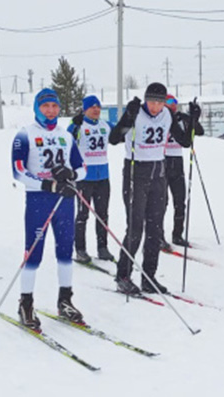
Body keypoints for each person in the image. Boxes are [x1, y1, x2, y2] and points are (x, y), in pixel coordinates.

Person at [108, 83, 201, 294]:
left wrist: (193, 119)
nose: (155, 107)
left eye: (159, 102)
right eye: (152, 102)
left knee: (155, 228)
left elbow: (185, 142)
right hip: (135, 172)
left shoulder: (167, 115)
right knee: (135, 228)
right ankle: (123, 275)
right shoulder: (136, 113)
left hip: (159, 172)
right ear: (145, 100)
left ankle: (149, 277)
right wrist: (127, 118)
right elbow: (114, 139)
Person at [11, 88, 88, 330]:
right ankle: (26, 303)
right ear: (37, 108)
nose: (51, 110)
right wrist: (48, 184)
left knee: (65, 252)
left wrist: (71, 175)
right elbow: (18, 171)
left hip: (64, 200)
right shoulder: (25, 134)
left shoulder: (66, 136)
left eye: (54, 106)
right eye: (45, 106)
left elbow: (82, 167)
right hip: (38, 200)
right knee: (33, 254)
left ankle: (65, 300)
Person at [67, 95, 115, 264]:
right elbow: (65, 143)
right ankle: (80, 249)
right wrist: (74, 126)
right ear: (85, 109)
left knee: (102, 214)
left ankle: (103, 247)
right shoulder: (78, 125)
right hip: (84, 178)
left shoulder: (105, 125)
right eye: (92, 107)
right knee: (82, 214)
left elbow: (120, 134)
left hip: (103, 177)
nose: (95, 109)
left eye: (98, 107)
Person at [160, 94, 204, 250]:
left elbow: (199, 131)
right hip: (163, 161)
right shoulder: (161, 119)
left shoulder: (180, 118)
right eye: (169, 102)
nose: (172, 105)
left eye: (174, 103)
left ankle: (177, 234)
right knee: (161, 202)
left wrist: (192, 118)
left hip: (177, 162)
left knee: (180, 201)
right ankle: (158, 235)